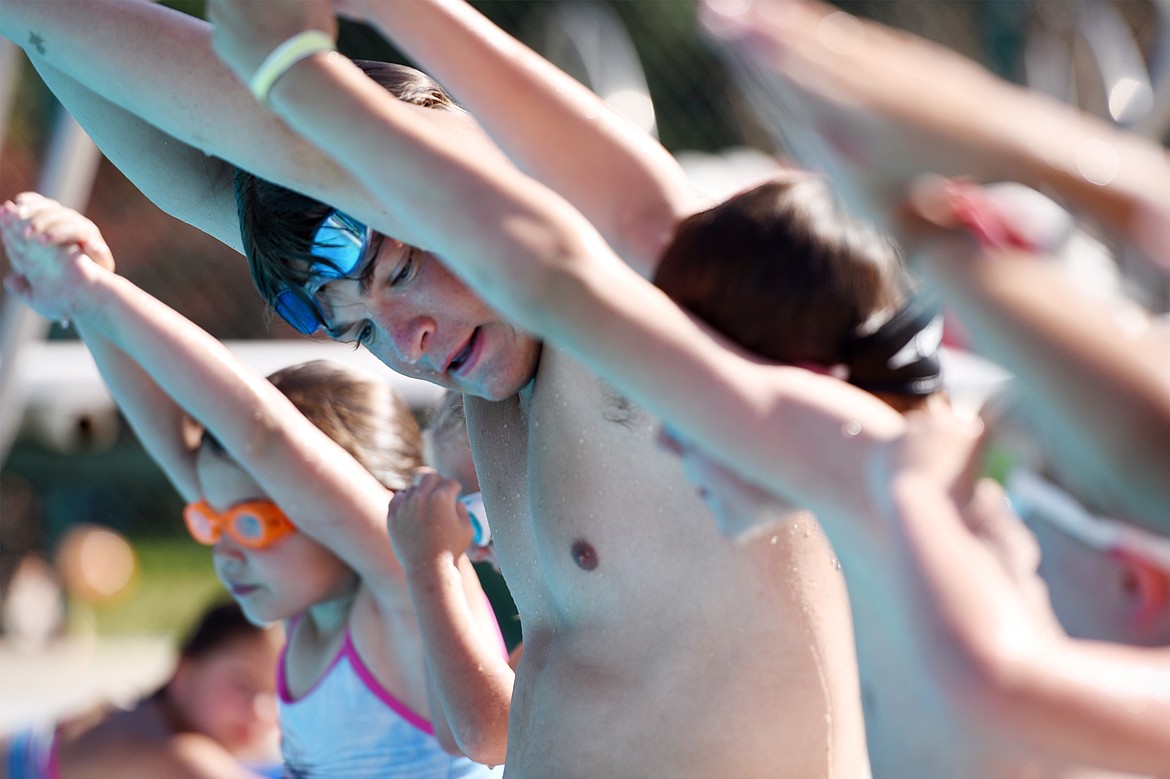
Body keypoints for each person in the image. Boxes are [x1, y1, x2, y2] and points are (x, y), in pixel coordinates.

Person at [202, 2, 1170, 776]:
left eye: (1018, 517)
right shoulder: (870, 476)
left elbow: (595, 238)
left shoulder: (895, 491)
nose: (674, 429)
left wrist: (303, 69)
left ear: (1145, 584)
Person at [1, 2, 868, 776]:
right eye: (360, 329)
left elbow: (330, 154)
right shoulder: (500, 402)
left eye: (408, 266)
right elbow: (200, 175)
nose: (404, 338)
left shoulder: (632, 319)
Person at [0, 192, 506, 777]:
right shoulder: (311, 608)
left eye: (250, 523)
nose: (226, 550)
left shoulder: (404, 591)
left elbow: (263, 436)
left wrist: (101, 295)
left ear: (328, 505)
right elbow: (176, 437)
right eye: (215, 523)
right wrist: (85, 305)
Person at [1, 599, 283, 779]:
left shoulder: (144, 713)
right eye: (244, 685)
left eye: (279, 694)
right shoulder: (180, 755)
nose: (261, 710)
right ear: (184, 677)